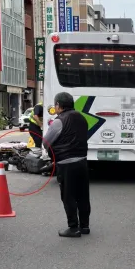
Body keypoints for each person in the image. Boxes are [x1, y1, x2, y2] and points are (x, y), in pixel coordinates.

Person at [42, 92, 91, 238]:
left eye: (55, 104)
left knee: (68, 196)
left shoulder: (59, 121)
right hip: (82, 161)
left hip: (66, 163)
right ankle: (85, 226)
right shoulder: (82, 118)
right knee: (83, 195)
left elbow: (46, 143)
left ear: (59, 105)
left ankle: (73, 227)